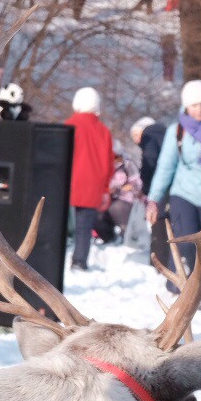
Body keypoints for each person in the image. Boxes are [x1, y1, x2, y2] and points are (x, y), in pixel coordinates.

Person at [147, 80, 201, 310]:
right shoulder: (177, 131)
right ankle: (179, 289)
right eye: (194, 105)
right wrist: (153, 198)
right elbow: (165, 167)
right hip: (184, 194)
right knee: (185, 243)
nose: (199, 109)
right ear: (186, 107)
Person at [65, 87, 113, 271]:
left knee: (58, 224)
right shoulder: (104, 132)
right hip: (93, 186)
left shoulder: (69, 125)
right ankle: (79, 261)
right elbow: (109, 163)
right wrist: (105, 188)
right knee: (84, 228)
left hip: (69, 182)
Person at [136, 114, 170, 264]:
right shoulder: (167, 133)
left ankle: (158, 260)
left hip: (158, 183)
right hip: (177, 185)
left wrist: (146, 187)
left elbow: (149, 160)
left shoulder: (148, 136)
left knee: (158, 221)